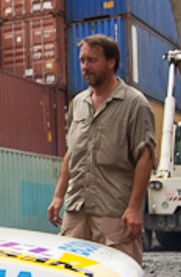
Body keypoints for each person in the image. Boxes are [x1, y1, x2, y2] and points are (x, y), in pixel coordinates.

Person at [49, 34, 156, 263]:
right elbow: (72, 152)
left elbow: (145, 157)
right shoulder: (78, 102)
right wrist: (59, 196)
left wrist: (135, 208)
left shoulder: (134, 104)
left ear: (111, 62)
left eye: (92, 60)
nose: (85, 67)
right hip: (77, 209)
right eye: (82, 60)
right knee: (71, 276)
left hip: (114, 212)